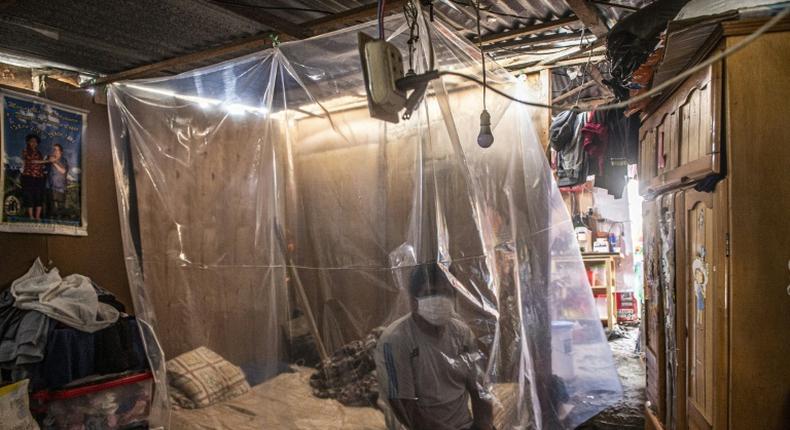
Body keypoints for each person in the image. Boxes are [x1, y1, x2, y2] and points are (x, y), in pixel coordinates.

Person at [375, 264, 494, 430]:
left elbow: (479, 389)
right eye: (431, 293)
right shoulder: (395, 340)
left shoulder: (462, 333)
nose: (440, 299)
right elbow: (404, 408)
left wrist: (484, 424)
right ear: (413, 299)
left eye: (446, 292)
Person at [20, 134, 46, 221]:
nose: (34, 143)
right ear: (28, 142)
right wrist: (48, 160)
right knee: (29, 196)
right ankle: (31, 216)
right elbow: (32, 161)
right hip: (28, 177)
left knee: (39, 196)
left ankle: (37, 217)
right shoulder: (25, 151)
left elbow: (41, 165)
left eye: (35, 141)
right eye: (31, 141)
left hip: (39, 177)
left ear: (37, 143)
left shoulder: (39, 153)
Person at [45, 143, 69, 219]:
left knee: (59, 209)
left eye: (56, 150)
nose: (54, 151)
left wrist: (54, 162)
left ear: (61, 152)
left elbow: (63, 171)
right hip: (50, 187)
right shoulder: (49, 159)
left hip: (60, 188)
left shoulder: (63, 160)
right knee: (51, 209)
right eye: (53, 150)